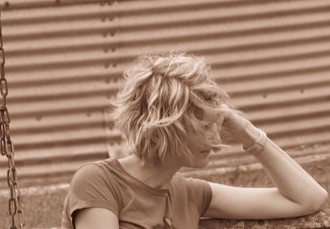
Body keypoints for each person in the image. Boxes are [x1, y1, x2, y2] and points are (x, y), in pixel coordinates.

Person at [61, 53, 328, 229]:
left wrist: (248, 133)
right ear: (167, 127)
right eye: (205, 127)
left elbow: (308, 199)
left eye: (218, 127)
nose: (216, 140)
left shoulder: (190, 194)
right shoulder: (99, 181)